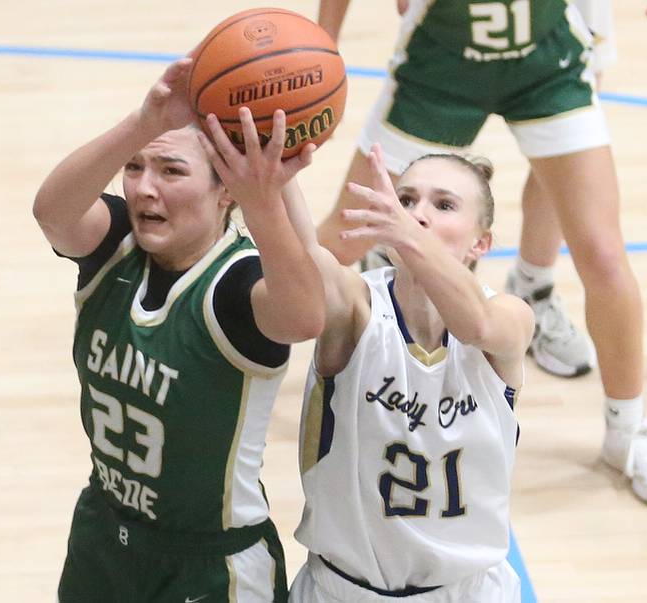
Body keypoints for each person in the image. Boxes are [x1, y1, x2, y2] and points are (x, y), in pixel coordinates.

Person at [315, 0, 647, 506]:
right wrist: (323, 43)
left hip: (545, 55)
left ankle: (628, 430)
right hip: (443, 57)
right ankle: (228, 318)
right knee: (350, 229)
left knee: (601, 251)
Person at [202, 109, 535, 601]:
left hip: (468, 592)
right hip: (345, 590)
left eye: (444, 205)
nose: (417, 213)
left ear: (480, 242)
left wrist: (408, 234)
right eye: (404, 199)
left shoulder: (507, 315)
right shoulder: (357, 307)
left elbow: (478, 325)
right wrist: (278, 172)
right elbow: (300, 252)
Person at [33, 58, 325, 602]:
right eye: (135, 167)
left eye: (171, 171)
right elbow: (52, 213)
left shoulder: (236, 285)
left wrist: (266, 201)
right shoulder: (114, 246)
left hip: (210, 564)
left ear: (226, 191)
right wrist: (143, 123)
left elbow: (305, 317)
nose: (145, 189)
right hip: (104, 529)